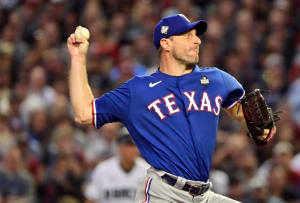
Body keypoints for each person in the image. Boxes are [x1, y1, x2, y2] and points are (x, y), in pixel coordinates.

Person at [67, 14, 276, 203]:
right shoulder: (138, 90)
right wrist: (78, 58)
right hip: (163, 193)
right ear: (166, 43)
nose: (197, 41)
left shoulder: (216, 80)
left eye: (196, 35)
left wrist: (263, 129)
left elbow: (253, 123)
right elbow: (84, 113)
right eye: (188, 36)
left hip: (204, 195)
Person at [85, 127, 148, 203]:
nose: (133, 149)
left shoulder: (147, 171)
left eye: (135, 145)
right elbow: (91, 199)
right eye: (129, 145)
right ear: (119, 146)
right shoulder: (102, 170)